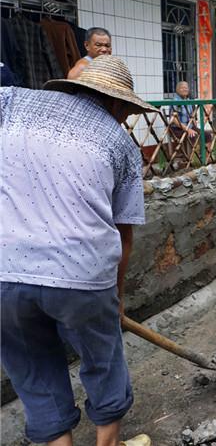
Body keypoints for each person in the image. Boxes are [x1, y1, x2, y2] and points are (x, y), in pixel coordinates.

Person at [1, 55, 156, 446]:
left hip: (4, 270)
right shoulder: (120, 144)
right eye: (127, 112)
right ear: (116, 102)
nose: (125, 120)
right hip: (81, 272)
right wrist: (116, 298)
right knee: (103, 359)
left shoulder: (12, 102)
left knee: (33, 368)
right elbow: (123, 234)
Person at [169, 81, 199, 162]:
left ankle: (206, 159)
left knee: (206, 135)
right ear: (177, 90)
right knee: (193, 136)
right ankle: (191, 161)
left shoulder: (188, 100)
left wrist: (195, 127)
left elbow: (192, 116)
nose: (185, 89)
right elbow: (174, 119)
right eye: (182, 88)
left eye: (186, 87)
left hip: (189, 127)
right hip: (177, 128)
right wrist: (187, 129)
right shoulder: (176, 101)